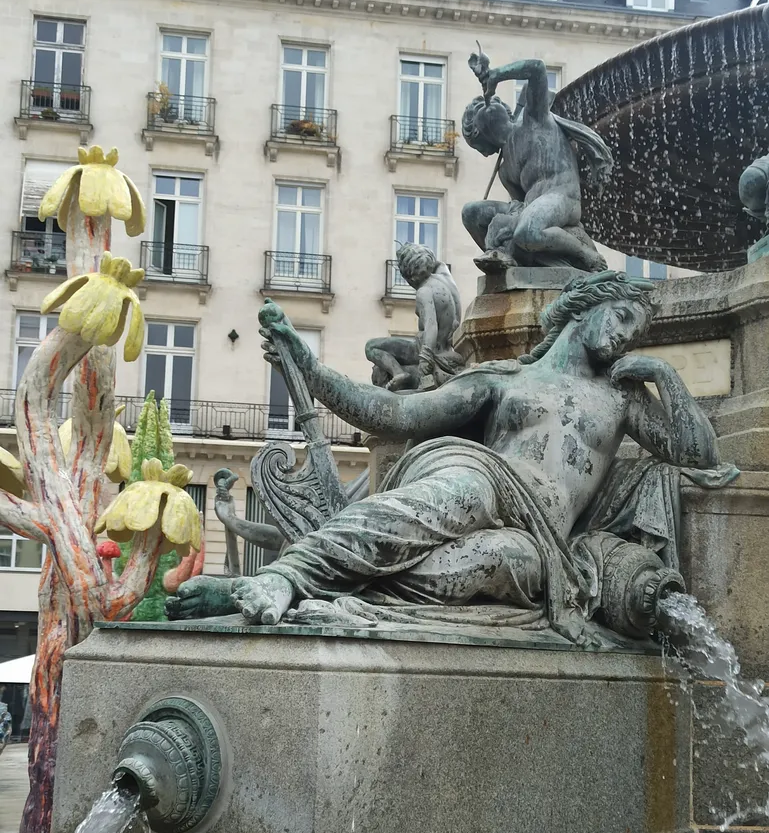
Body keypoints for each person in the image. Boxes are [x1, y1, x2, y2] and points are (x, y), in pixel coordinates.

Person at [168, 272, 720, 644]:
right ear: (588, 307)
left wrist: (666, 378)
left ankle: (291, 593)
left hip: (543, 546)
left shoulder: (624, 397)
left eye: (637, 333)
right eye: (623, 319)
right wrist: (311, 372)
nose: (628, 338)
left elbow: (698, 456)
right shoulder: (506, 378)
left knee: (476, 569)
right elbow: (396, 415)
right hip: (488, 477)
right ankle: (286, 577)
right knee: (447, 500)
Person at [461, 51, 613, 273]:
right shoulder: (505, 170)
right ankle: (504, 260)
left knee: (528, 231)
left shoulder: (532, 117)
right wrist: (503, 227)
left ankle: (586, 254)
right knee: (471, 213)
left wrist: (497, 75)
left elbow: (537, 69)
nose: (484, 154)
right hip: (532, 208)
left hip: (563, 197)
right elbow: (519, 205)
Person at [365, 243, 464, 392]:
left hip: (431, 352)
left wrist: (425, 359)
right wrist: (422, 255)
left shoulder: (424, 292)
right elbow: (440, 264)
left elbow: (431, 326)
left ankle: (399, 373)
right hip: (447, 349)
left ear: (410, 276)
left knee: (371, 347)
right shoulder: (445, 278)